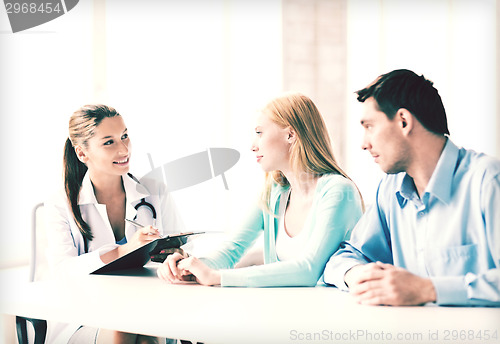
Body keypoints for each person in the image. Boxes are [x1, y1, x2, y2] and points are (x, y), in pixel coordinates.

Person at [323, 69, 500, 307]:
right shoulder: (389, 189)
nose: (364, 144)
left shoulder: (488, 180)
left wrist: (427, 289)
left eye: (369, 126)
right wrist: (358, 275)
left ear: (404, 121)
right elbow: (345, 257)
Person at [157, 92, 364, 287]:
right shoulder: (276, 191)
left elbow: (309, 270)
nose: (253, 146)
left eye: (259, 133)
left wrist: (216, 277)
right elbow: (231, 250)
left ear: (290, 135)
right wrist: (188, 266)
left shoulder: (338, 191)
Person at [44, 104, 185, 343]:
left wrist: (175, 255)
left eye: (125, 136)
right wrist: (123, 250)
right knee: (127, 329)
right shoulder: (61, 204)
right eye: (109, 142)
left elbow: (183, 248)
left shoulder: (155, 191)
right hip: (85, 318)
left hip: (150, 309)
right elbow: (62, 272)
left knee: (144, 329)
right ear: (82, 153)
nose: (124, 149)